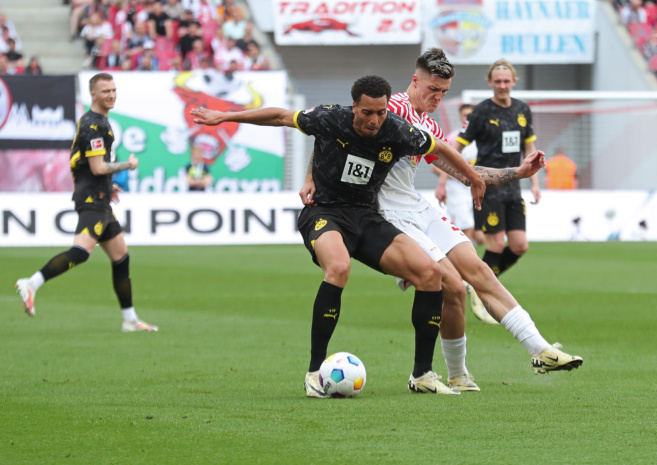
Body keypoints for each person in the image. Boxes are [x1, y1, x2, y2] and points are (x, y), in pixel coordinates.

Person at [191, 75, 488, 397]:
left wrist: (472, 177)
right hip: (325, 213)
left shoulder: (397, 130)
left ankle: (422, 375)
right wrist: (225, 116)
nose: (374, 120)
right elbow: (279, 116)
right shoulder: (330, 118)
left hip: (367, 217)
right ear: (354, 106)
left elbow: (439, 146)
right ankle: (314, 373)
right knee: (339, 267)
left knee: (430, 273)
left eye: (381, 112)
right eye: (367, 112)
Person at [373, 49, 582, 389]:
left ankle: (537, 351)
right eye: (432, 89)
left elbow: (462, 170)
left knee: (479, 270)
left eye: (443, 92)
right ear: (415, 80)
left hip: (416, 206)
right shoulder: (390, 109)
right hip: (386, 213)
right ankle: (432, 373)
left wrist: (518, 172)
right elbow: (342, 132)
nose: (438, 97)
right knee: (452, 285)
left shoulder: (429, 124)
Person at [14, 73, 158, 333]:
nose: (111, 95)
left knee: (121, 257)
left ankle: (130, 320)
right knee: (81, 251)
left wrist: (108, 186)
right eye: (105, 91)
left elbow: (86, 165)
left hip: (99, 195)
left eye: (113, 90)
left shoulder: (97, 121)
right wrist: (128, 165)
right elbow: (98, 167)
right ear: (93, 94)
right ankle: (32, 283)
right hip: (92, 199)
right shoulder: (94, 125)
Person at [454, 58, 540, 278]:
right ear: (490, 82)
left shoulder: (523, 109)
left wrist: (535, 183)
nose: (502, 85)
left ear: (514, 82)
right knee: (496, 245)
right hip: (489, 187)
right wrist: (453, 176)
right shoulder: (480, 111)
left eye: (506, 81)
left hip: (513, 188)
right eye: (498, 81)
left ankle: (477, 283)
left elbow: (529, 148)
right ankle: (484, 288)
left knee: (520, 245)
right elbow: (456, 147)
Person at [433, 103, 485, 247]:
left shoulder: (482, 138)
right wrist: (456, 177)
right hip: (456, 189)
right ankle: (460, 259)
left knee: (480, 237)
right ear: (460, 117)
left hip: (476, 190)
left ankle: (454, 252)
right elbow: (436, 166)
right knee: (466, 229)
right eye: (465, 115)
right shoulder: (454, 138)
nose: (468, 118)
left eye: (470, 115)